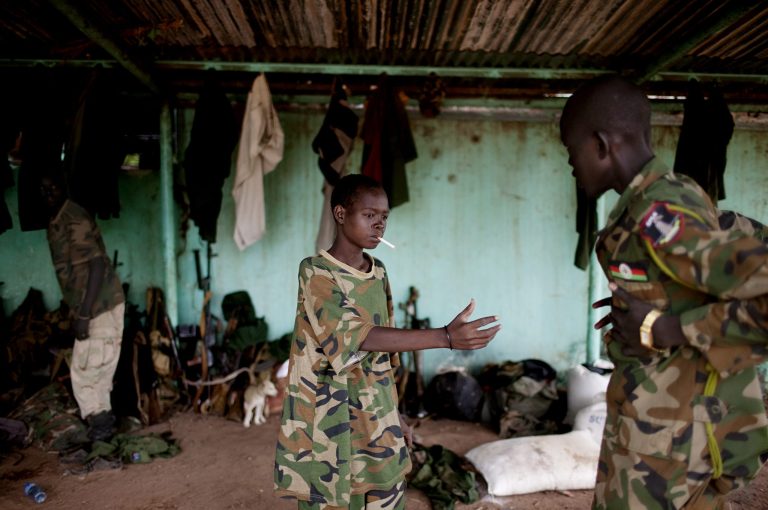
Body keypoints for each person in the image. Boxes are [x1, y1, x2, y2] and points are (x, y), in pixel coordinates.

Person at [560, 74, 768, 509]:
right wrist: (656, 303)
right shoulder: (662, 199)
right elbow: (713, 273)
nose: (570, 164)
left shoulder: (660, 210)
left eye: (570, 150)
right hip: (670, 435)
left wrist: (667, 327)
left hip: (669, 446)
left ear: (601, 145)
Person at [273, 174, 501, 509]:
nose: (379, 225)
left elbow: (383, 353)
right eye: (369, 215)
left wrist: (393, 413)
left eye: (384, 218)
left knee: (386, 489)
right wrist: (445, 337)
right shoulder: (316, 272)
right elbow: (359, 336)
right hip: (328, 415)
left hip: (374, 411)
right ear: (340, 214)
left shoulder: (378, 272)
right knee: (333, 494)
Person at [41, 172, 125, 442]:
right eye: (43, 190)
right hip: (96, 306)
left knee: (85, 370)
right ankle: (103, 429)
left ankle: (101, 428)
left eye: (52, 187)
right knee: (96, 370)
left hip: (100, 307)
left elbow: (97, 264)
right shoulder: (57, 219)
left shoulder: (73, 217)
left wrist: (85, 313)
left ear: (63, 186)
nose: (48, 194)